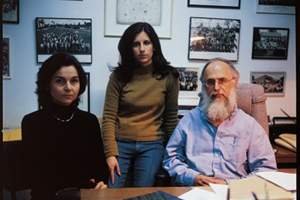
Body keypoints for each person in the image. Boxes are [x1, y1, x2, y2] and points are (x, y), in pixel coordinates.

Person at [163, 58, 277, 186]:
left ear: (234, 83)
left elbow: (266, 169)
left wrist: (231, 184)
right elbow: (171, 158)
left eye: (222, 81)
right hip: (196, 191)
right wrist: (193, 177)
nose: (216, 87)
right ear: (203, 85)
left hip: (235, 193)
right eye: (210, 82)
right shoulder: (188, 121)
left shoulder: (250, 126)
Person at [102, 22, 179, 187]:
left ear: (154, 46)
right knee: (112, 190)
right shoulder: (118, 76)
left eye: (146, 43)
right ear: (129, 49)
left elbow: (171, 119)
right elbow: (108, 117)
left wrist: (173, 154)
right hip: (121, 143)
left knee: (142, 194)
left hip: (152, 145)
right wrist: (110, 154)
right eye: (136, 44)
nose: (142, 49)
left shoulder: (169, 76)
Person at [22, 52, 108, 200]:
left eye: (74, 81)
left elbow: (100, 167)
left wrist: (101, 182)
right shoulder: (32, 123)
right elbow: (35, 176)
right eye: (60, 81)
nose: (68, 87)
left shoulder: (89, 121)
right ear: (47, 84)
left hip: (85, 196)